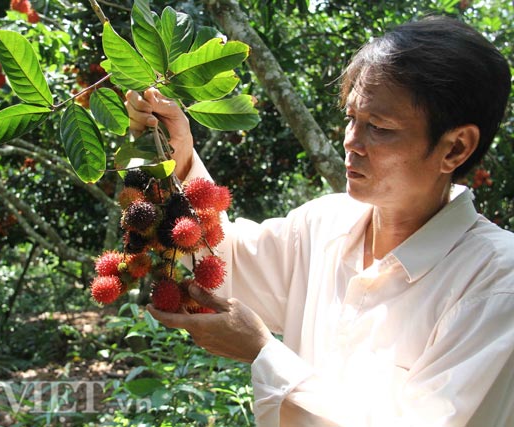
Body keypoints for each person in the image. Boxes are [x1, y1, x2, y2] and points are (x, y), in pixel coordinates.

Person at [125, 16, 513, 427]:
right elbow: (225, 264)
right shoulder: (325, 224)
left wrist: (263, 353)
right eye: (351, 119)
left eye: (379, 128)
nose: (351, 141)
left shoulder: (496, 283)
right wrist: (175, 156)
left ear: (455, 148)